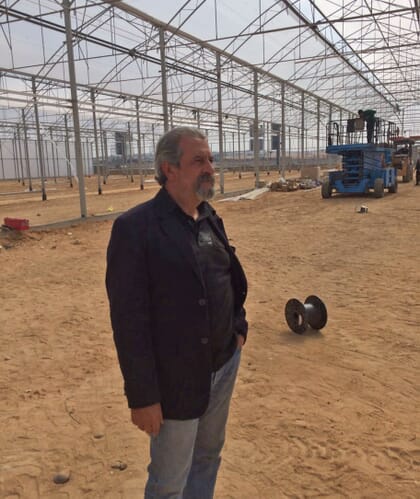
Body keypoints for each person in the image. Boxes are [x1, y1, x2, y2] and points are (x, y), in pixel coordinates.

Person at [106, 126, 248, 498]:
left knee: (208, 456)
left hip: (222, 365)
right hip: (176, 380)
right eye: (198, 160)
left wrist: (238, 326)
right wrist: (142, 397)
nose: (210, 168)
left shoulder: (208, 217)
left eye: (211, 160)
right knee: (169, 479)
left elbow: (228, 277)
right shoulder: (136, 229)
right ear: (169, 169)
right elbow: (128, 321)